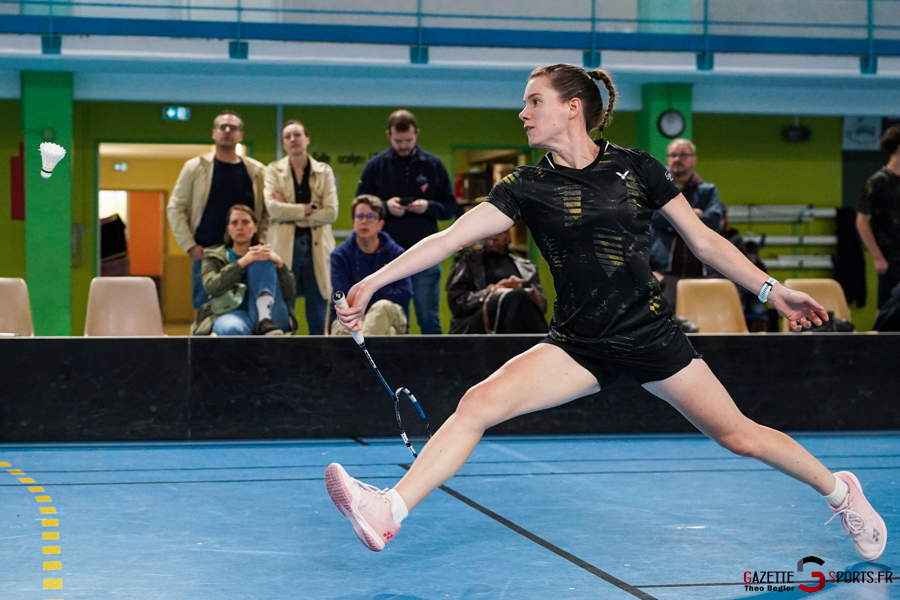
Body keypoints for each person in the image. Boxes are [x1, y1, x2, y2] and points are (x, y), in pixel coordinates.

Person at [324, 64, 887, 563]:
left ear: (573, 107)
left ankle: (842, 493)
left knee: (740, 436)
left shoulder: (636, 167)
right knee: (478, 404)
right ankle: (389, 509)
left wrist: (772, 290)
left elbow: (704, 241)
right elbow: (447, 239)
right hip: (578, 344)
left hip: (649, 336)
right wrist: (371, 283)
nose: (522, 113)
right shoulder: (526, 185)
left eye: (534, 101)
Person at [355, 110, 457, 334]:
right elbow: (360, 206)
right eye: (398, 141)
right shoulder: (376, 166)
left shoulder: (433, 165)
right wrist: (385, 207)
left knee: (429, 319)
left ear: (416, 134)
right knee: (392, 319)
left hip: (427, 254)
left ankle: (434, 359)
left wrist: (427, 206)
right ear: (388, 136)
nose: (403, 145)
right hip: (388, 257)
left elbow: (450, 208)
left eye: (408, 140)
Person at [167, 111, 267, 310]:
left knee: (252, 312)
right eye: (223, 127)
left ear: (240, 135)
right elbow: (175, 208)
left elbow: (266, 214)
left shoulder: (257, 171)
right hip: (207, 256)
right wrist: (189, 246)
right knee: (206, 313)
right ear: (214, 133)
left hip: (247, 256)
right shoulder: (195, 168)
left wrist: (261, 243)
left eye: (233, 128)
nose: (227, 131)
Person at [264, 120, 339, 335]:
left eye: (297, 135)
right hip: (285, 248)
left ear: (307, 139)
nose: (292, 140)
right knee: (283, 313)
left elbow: (331, 213)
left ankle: (319, 355)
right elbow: (273, 209)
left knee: (317, 316)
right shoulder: (273, 170)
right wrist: (309, 209)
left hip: (316, 248)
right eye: (287, 137)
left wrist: (289, 211)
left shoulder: (324, 171)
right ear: (283, 143)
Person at [191, 205, 296, 336]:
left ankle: (264, 319)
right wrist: (243, 262)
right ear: (228, 229)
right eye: (234, 223)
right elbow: (212, 287)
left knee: (261, 261)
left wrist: (279, 263)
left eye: (245, 222)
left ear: (255, 227)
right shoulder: (213, 256)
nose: (240, 227)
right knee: (232, 329)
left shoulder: (266, 255)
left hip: (272, 315)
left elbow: (289, 293)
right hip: (231, 312)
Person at [649, 138, 725, 306]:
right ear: (667, 159)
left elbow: (713, 221)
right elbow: (654, 218)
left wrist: (673, 217)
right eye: (673, 155)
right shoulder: (656, 188)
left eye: (683, 155)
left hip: (702, 275)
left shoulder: (707, 191)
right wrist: (694, 215)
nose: (678, 159)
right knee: (665, 320)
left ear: (693, 159)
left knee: (702, 320)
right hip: (665, 275)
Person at [329, 195, 412, 337]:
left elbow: (404, 293)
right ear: (353, 222)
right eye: (359, 216)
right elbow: (342, 297)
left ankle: (363, 350)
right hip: (350, 316)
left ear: (380, 224)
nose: (364, 221)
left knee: (382, 308)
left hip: (389, 313)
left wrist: (367, 300)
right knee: (345, 328)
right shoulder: (340, 256)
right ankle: (366, 349)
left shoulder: (397, 254)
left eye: (370, 216)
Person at [446, 228, 548, 334]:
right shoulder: (468, 261)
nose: (494, 237)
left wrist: (530, 294)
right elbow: (456, 302)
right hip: (476, 319)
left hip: (514, 317)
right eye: (490, 232)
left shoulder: (526, 267)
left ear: (507, 235)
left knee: (519, 298)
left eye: (499, 233)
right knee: (517, 296)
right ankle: (544, 342)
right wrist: (493, 291)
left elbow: (542, 308)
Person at [856, 124, 900, 309]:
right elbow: (862, 221)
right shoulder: (877, 182)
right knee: (890, 309)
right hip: (890, 257)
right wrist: (877, 256)